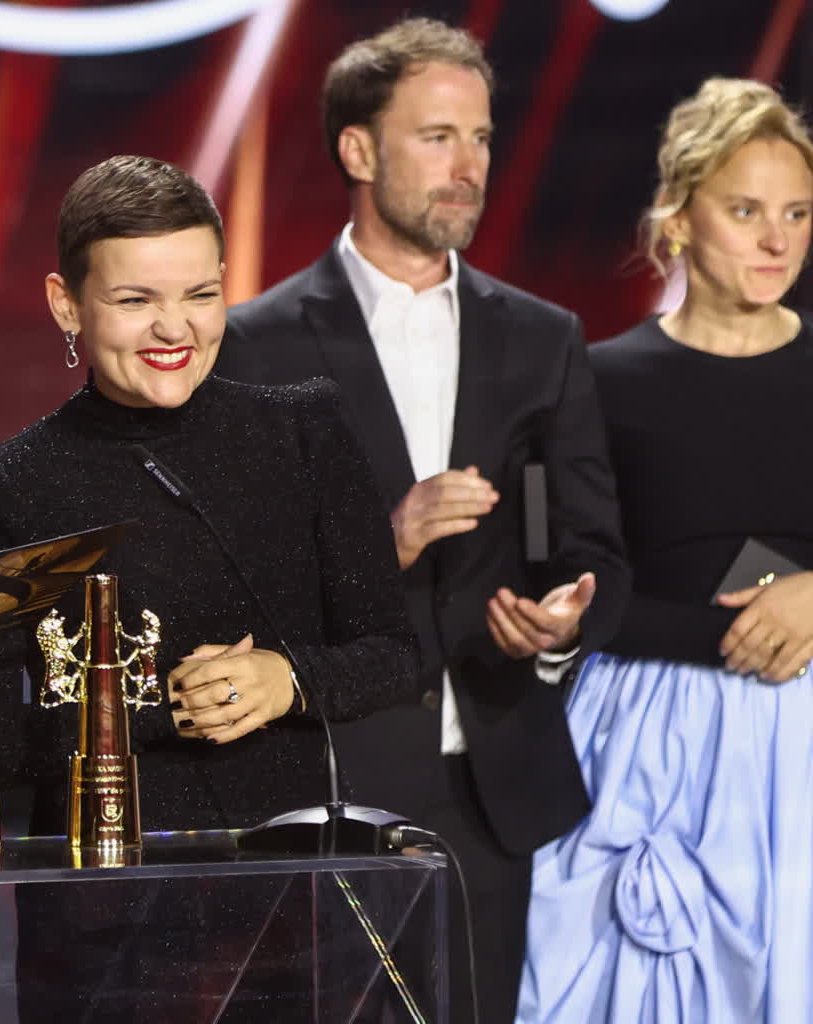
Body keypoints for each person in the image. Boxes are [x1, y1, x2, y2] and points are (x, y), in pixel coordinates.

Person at [212, 18, 629, 1022]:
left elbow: (595, 549)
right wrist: (381, 543)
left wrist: (563, 625)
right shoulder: (257, 344)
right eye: (438, 137)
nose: (469, 165)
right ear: (358, 150)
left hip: (492, 779)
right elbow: (230, 582)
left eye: (480, 138)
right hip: (335, 779)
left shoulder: (543, 338)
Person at [0, 154, 419, 1020]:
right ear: (66, 303)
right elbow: (5, 744)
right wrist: (159, 710)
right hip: (105, 919)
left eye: (201, 294)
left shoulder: (303, 430)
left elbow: (393, 654)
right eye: (136, 300)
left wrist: (287, 680)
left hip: (292, 899)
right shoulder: (5, 482)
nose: (174, 328)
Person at [518, 79, 813, 1023]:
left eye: (798, 213)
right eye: (746, 211)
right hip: (645, 737)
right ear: (679, 219)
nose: (777, 240)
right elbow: (574, 575)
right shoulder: (599, 380)